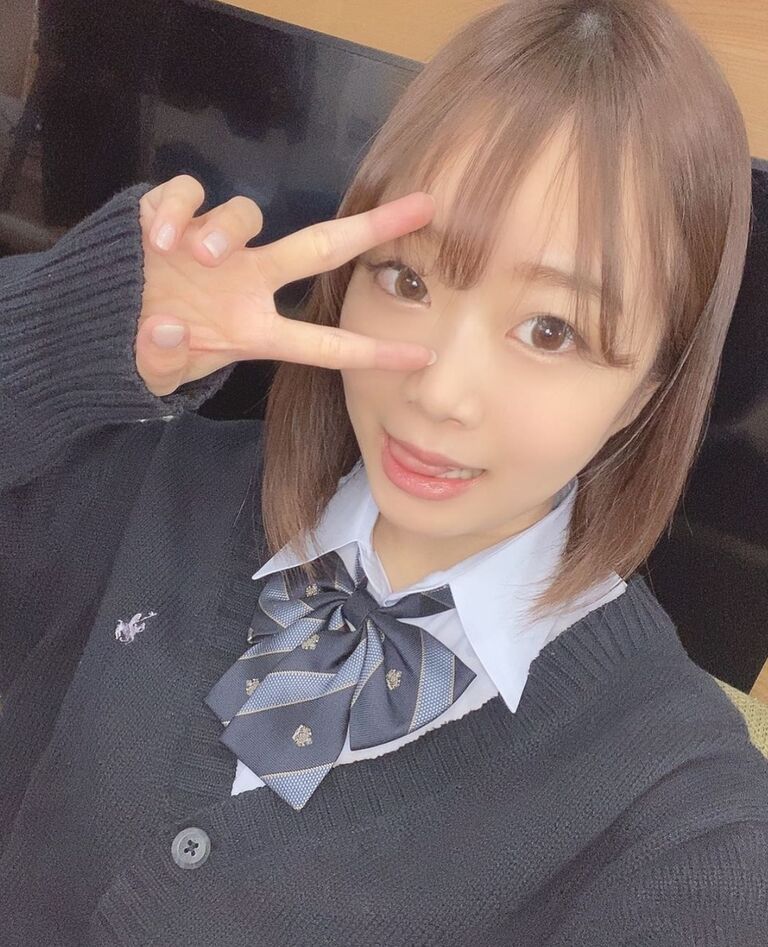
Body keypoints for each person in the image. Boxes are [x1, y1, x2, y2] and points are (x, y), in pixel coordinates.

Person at [2, 0, 767, 943]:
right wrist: (67, 334)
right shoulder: (144, 483)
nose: (440, 392)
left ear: (650, 387)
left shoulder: (672, 807)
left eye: (551, 329)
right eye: (407, 279)